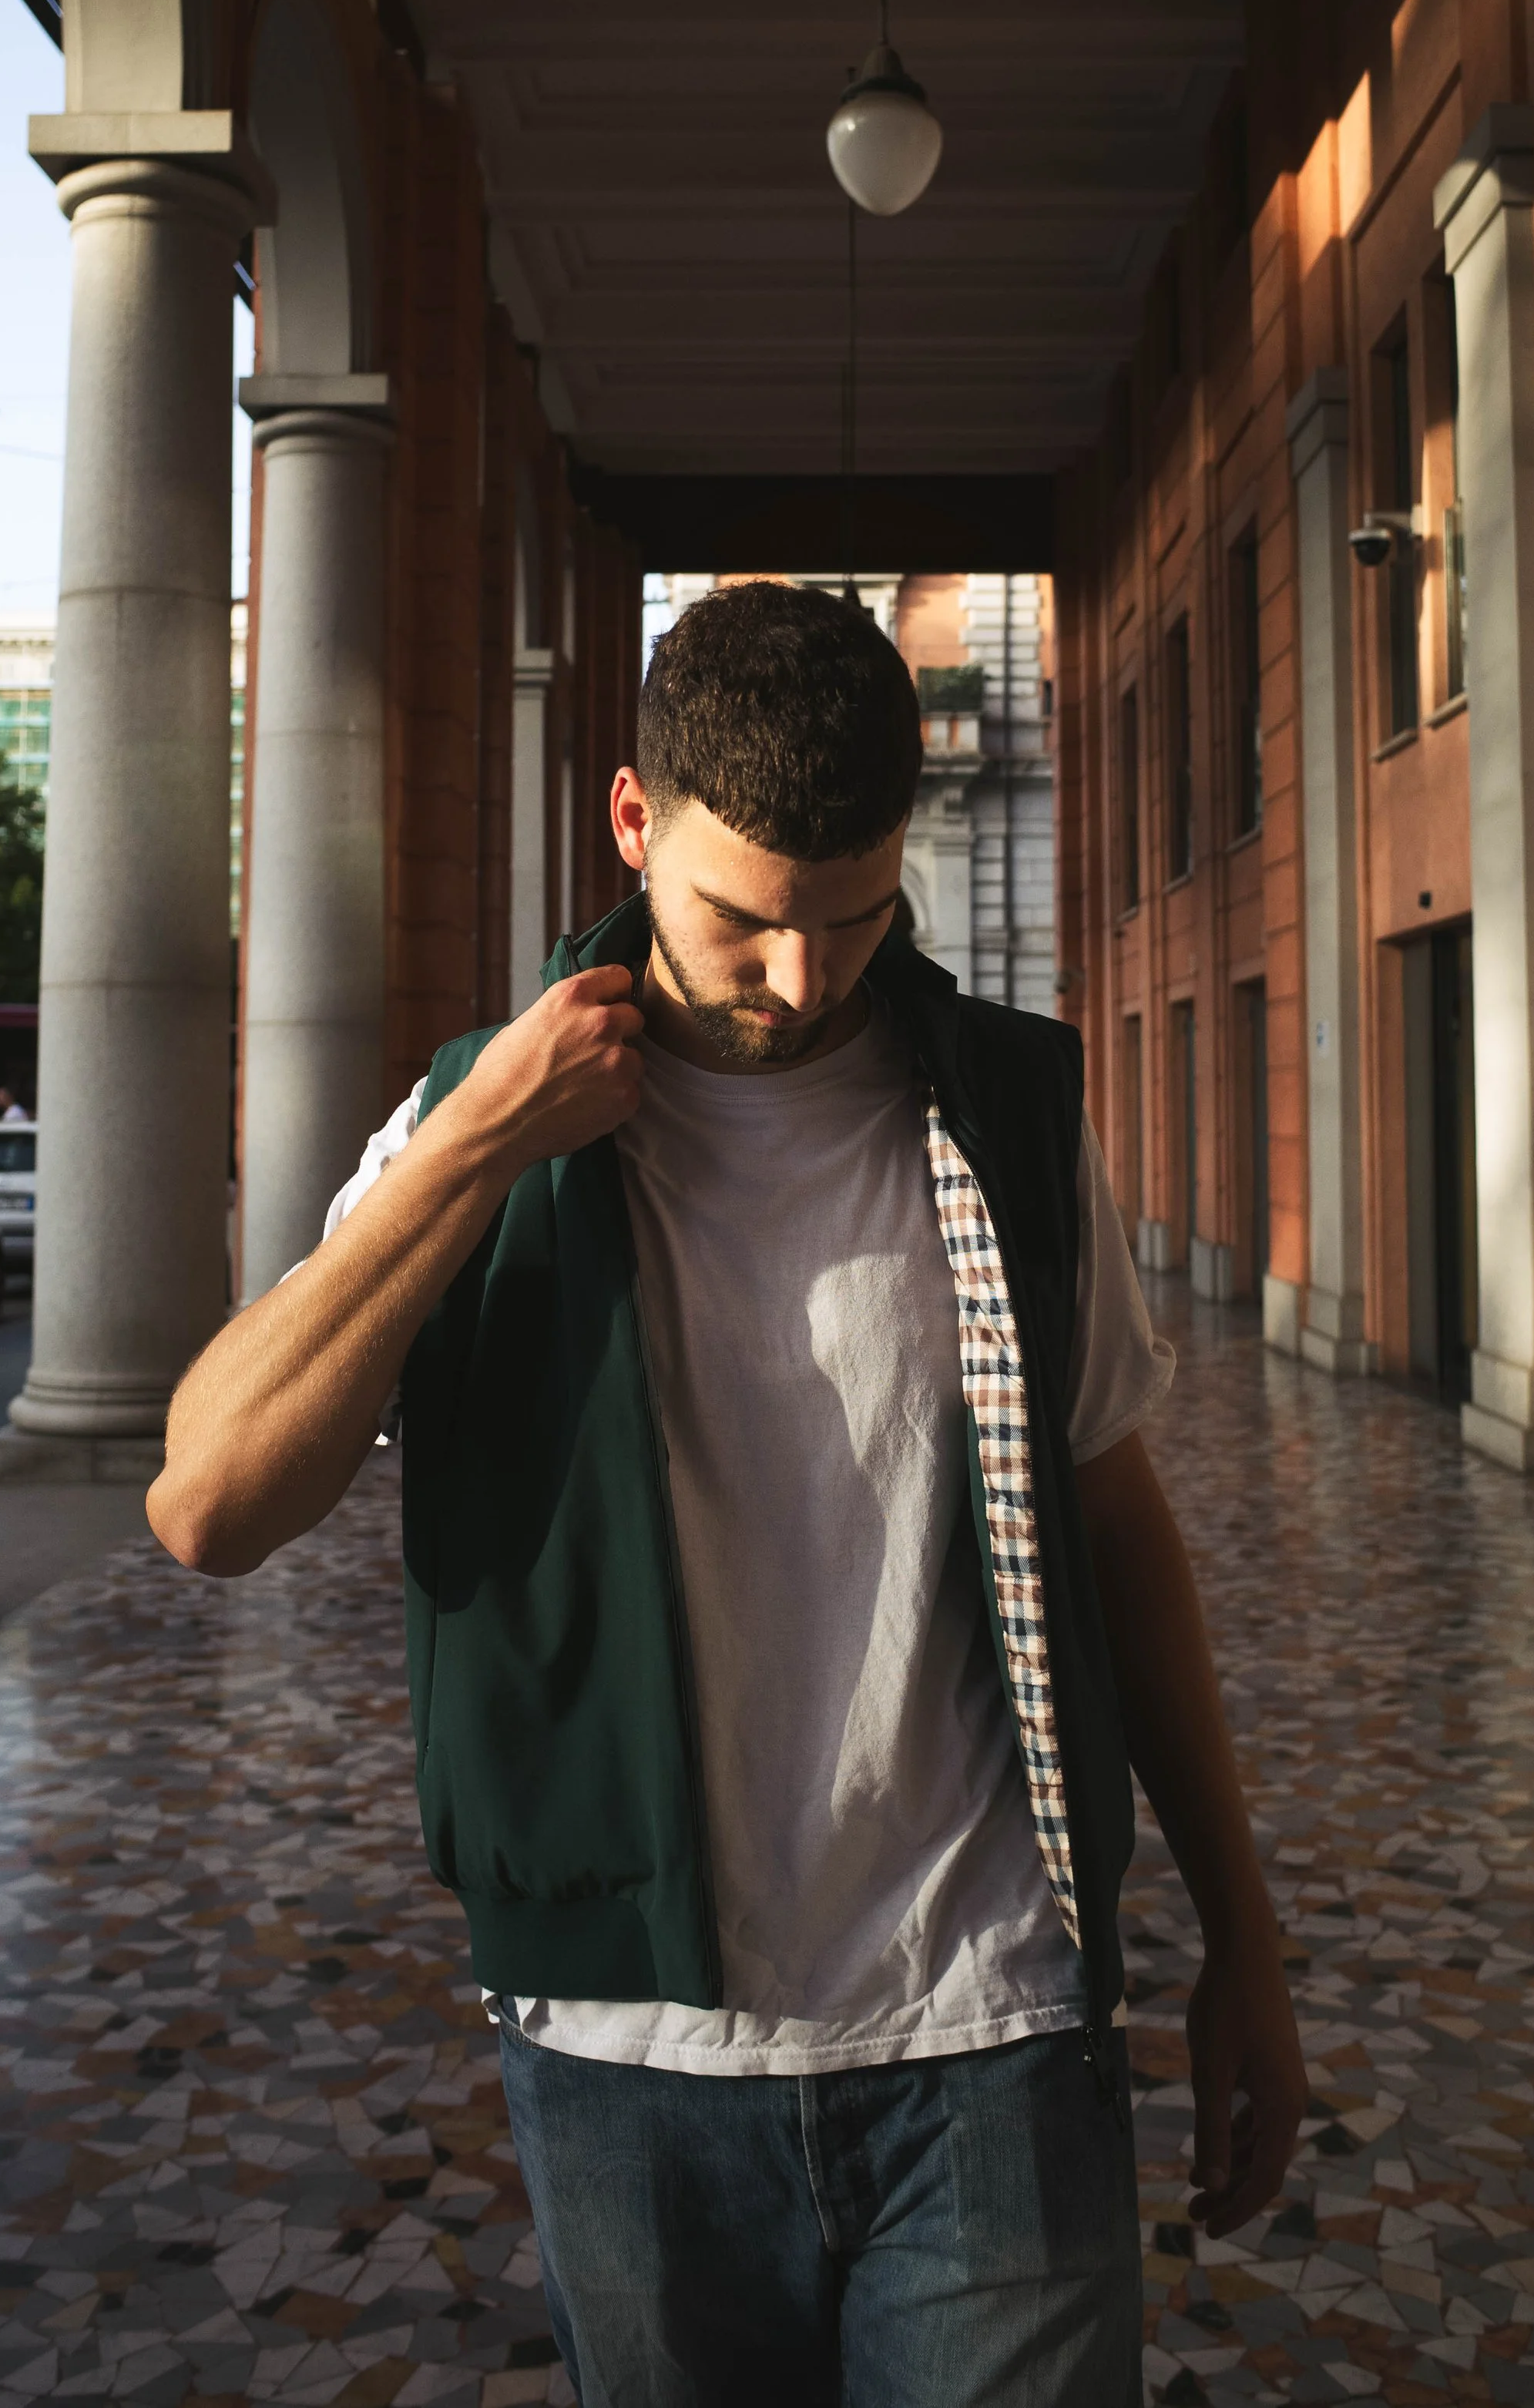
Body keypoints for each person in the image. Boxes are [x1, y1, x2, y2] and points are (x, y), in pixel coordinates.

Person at [151, 582, 1306, 2406]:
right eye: (743, 920)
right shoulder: (478, 1122)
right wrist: (470, 1148)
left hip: (988, 2029)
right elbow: (206, 1502)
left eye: (856, 922)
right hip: (628, 2057)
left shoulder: (1002, 1112)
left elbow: (1110, 1523)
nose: (799, 979)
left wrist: (1242, 1938)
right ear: (632, 820)